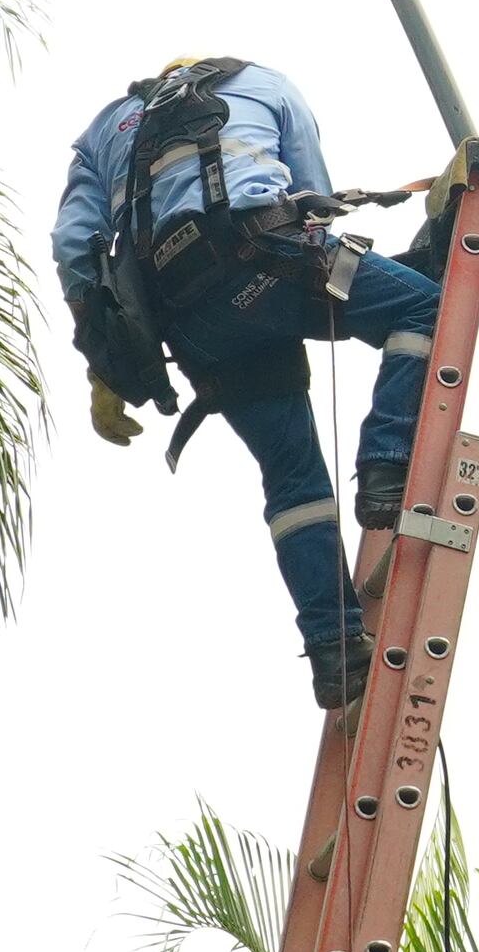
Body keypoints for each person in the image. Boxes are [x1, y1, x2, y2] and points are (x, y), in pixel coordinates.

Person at [54, 57, 449, 708]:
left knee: (293, 478)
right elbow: (312, 207)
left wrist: (104, 374)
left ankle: (334, 651)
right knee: (422, 306)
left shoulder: (103, 132)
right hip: (275, 261)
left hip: (195, 327)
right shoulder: (264, 81)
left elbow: (76, 250)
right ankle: (386, 465)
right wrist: (382, 273)